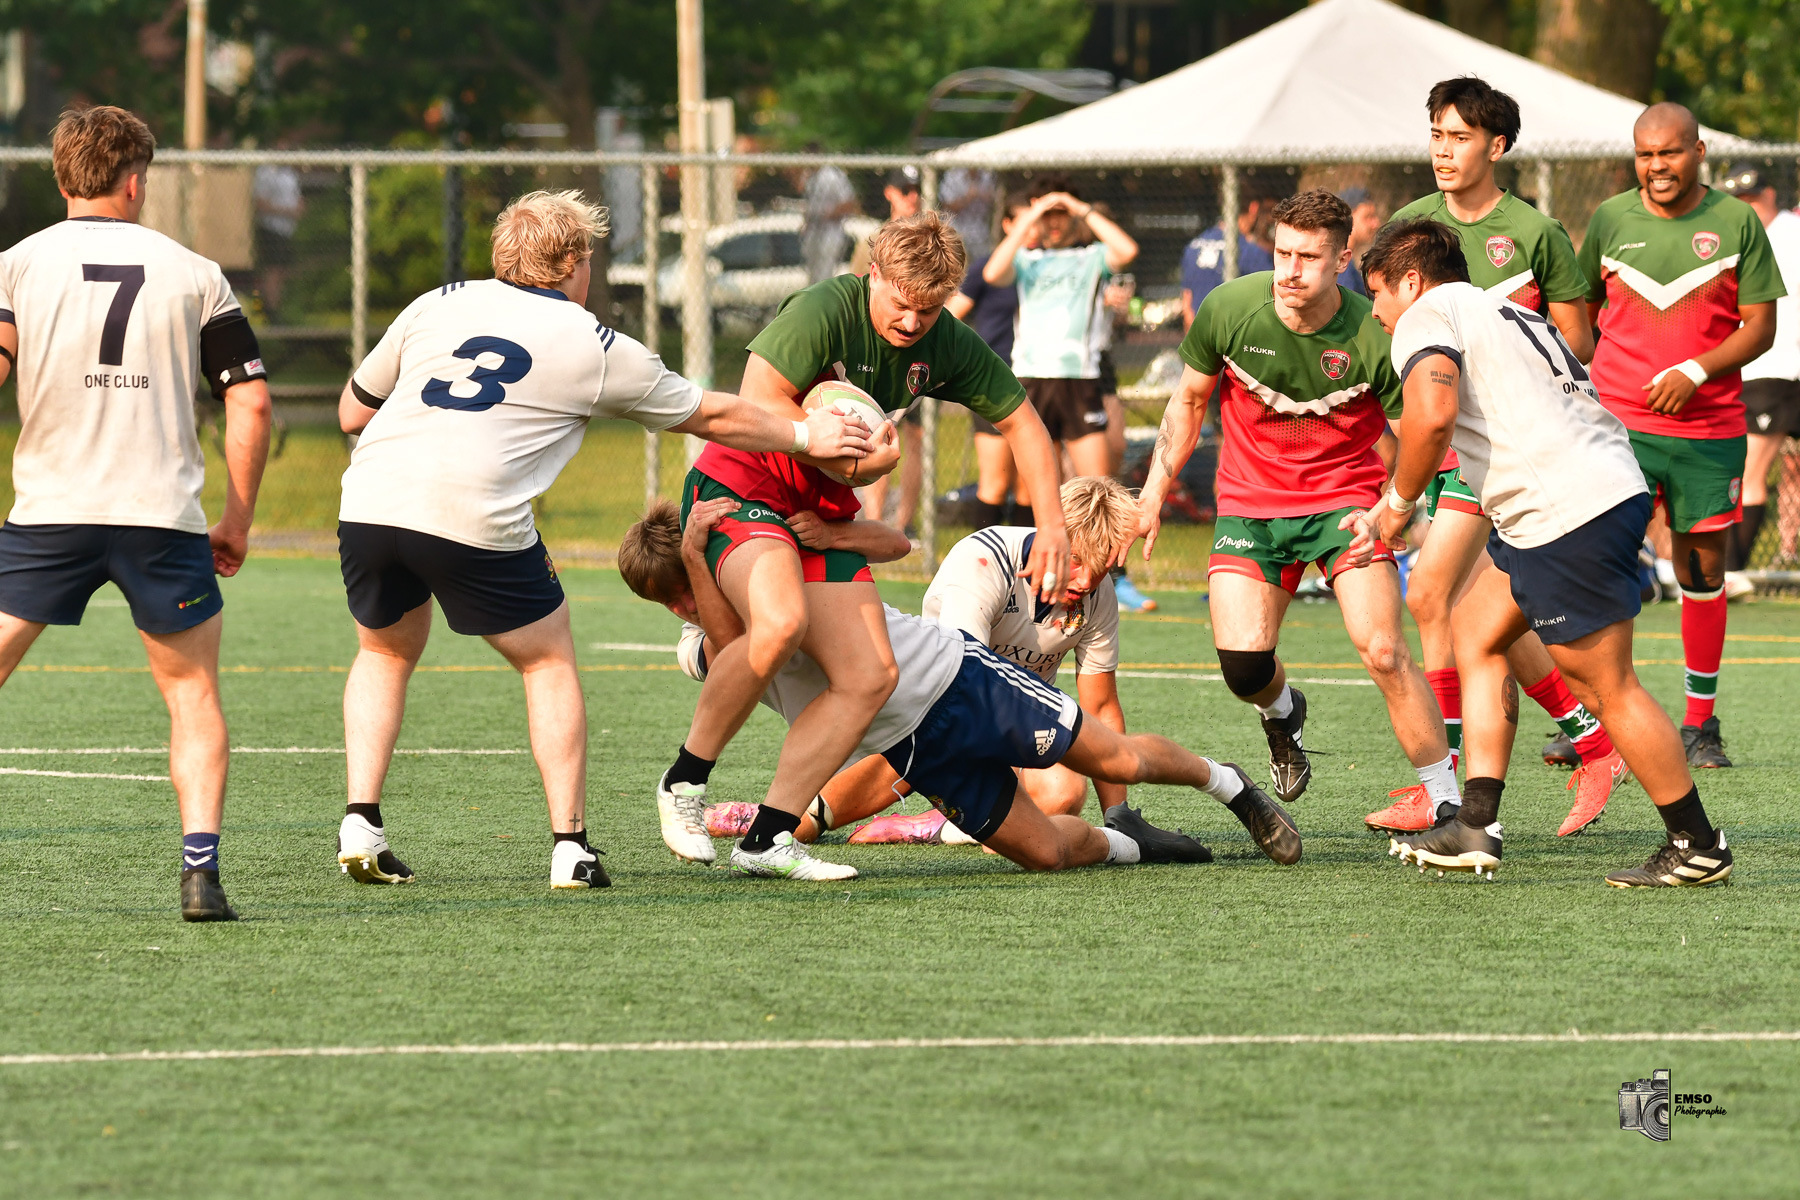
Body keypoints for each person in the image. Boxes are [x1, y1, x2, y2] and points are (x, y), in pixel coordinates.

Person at [331, 189, 871, 892]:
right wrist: (807, 435)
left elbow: (351, 410)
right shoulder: (592, 342)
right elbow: (712, 415)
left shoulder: (438, 301)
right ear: (575, 261)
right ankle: (570, 848)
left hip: (369, 498)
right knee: (546, 659)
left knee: (383, 650)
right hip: (469, 511)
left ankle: (360, 823)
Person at [658, 211, 1072, 881]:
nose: (913, 322)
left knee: (871, 677)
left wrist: (1052, 525)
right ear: (873, 274)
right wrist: (857, 463)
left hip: (818, 511)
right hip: (744, 483)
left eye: (929, 309)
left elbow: (1023, 423)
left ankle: (768, 838)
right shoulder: (826, 308)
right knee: (781, 624)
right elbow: (758, 401)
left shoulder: (946, 340)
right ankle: (683, 783)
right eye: (902, 303)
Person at [1361, 218, 1733, 888]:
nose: (1380, 313)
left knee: (1608, 685)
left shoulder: (1427, 313)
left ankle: (1697, 842)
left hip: (1568, 509)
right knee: (1476, 631)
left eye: (1379, 294)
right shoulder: (1502, 306)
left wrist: (1396, 504)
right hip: (1589, 492)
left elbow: (1432, 413)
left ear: (1410, 281)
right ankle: (1476, 821)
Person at [621, 498, 1231, 877]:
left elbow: (895, 545)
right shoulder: (699, 640)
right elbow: (738, 650)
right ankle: (1119, 847)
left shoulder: (783, 576)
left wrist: (830, 537)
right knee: (1046, 847)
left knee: (1078, 781)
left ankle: (1222, 787)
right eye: (665, 602)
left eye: (680, 589)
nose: (681, 608)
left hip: (955, 688)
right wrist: (697, 566)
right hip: (907, 735)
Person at [0, 106, 273, 922]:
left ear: (61, 180)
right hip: (161, 518)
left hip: (51, 512)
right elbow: (251, 405)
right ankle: (200, 874)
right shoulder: (195, 271)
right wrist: (238, 519)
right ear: (136, 181)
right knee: (191, 694)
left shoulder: (15, 264)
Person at [1126, 189, 1457, 820]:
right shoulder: (1230, 308)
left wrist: (1414, 511)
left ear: (1342, 259)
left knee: (1385, 651)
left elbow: (1414, 435)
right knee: (1244, 667)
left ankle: (1447, 803)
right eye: (1282, 252)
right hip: (1250, 505)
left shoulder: (1375, 329)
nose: (1289, 270)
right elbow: (1189, 403)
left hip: (1346, 506)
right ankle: (1284, 716)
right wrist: (1153, 493)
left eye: (1308, 256)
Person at [1365, 76, 1624, 839]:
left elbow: (1575, 339)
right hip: (1454, 444)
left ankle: (1461, 793)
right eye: (1436, 136)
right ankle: (1573, 748)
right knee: (1471, 614)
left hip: (1508, 446)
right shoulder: (1413, 228)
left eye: (1460, 138)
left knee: (1436, 599)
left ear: (1497, 146)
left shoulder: (1535, 232)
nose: (1444, 152)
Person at [836, 476, 1301, 863]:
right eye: (1075, 560)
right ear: (1050, 536)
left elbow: (1100, 704)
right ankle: (814, 816)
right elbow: (964, 696)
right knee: (824, 812)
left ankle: (955, 820)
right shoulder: (982, 562)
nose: (1082, 580)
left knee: (1061, 798)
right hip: (941, 713)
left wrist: (1118, 812)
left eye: (1097, 569)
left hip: (1014, 725)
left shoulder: (1096, 595)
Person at [1578, 103, 1784, 769]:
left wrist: (1694, 371)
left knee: (1701, 571)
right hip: (1618, 427)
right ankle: (1594, 719)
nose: (1656, 167)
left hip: (1708, 428)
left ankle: (1700, 724)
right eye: (1644, 154)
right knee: (1596, 566)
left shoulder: (1735, 221)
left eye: (1668, 153)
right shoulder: (1610, 219)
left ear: (1698, 152)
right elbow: (1580, 313)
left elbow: (1760, 328)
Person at [984, 174, 1140, 484]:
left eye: (1061, 214)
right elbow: (992, 272)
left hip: (1078, 380)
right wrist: (1032, 213)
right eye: (1047, 216)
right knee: (1042, 488)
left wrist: (1078, 207)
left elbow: (1127, 250)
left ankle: (1096, 535)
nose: (1053, 223)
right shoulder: (1027, 261)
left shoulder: (1092, 257)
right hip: (1031, 378)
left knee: (1098, 486)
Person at [1717, 164, 1800, 573]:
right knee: (1744, 469)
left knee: (1750, 470)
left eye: (1751, 198)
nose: (1745, 207)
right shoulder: (1745, 237)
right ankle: (1731, 572)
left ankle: (1732, 572)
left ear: (1769, 196)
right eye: (1738, 201)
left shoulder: (1791, 235)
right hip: (1756, 368)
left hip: (1780, 366)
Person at [946, 202, 1031, 531]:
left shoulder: (1047, 268)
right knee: (995, 480)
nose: (1034, 229)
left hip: (1034, 379)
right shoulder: (990, 267)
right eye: (1027, 221)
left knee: (1027, 484)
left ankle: (1024, 565)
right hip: (996, 382)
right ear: (1008, 223)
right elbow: (951, 314)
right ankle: (982, 560)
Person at [855, 167, 927, 533]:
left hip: (917, 355)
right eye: (904, 189)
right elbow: (858, 289)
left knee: (914, 438)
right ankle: (873, 519)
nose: (911, 196)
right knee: (877, 430)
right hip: (879, 354)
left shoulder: (931, 236)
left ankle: (905, 523)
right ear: (889, 193)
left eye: (916, 189)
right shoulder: (874, 237)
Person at [1181, 184, 1279, 326]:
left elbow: (1187, 306)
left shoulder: (1194, 246)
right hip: (1236, 340)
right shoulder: (1252, 252)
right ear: (1254, 208)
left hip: (1200, 338)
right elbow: (1271, 306)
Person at [802, 155, 857, 285]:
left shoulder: (831, 175)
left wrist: (825, 215)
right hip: (813, 231)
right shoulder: (811, 177)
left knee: (825, 273)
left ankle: (824, 300)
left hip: (830, 231)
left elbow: (848, 203)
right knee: (813, 274)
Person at [1334, 187, 1382, 296]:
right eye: (1368, 217)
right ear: (1348, 218)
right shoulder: (1340, 266)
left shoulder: (1347, 263)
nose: (1376, 223)